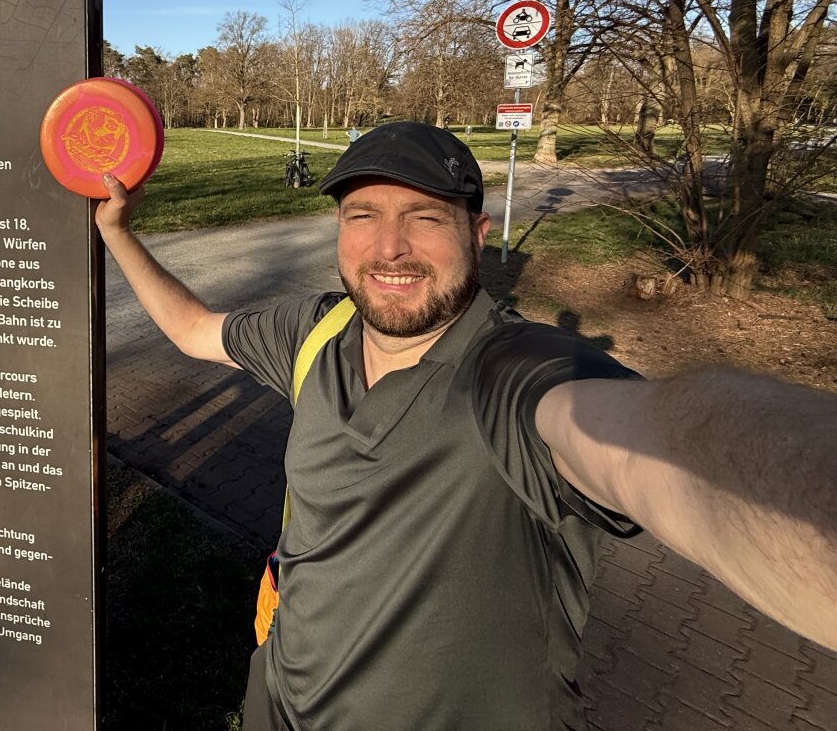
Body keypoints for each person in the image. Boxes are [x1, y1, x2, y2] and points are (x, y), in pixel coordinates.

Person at [94, 121, 837, 731]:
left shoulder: (510, 372)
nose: (389, 248)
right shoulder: (313, 331)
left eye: (423, 217)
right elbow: (194, 330)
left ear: (477, 233)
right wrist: (119, 233)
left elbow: (669, 439)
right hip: (279, 698)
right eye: (364, 216)